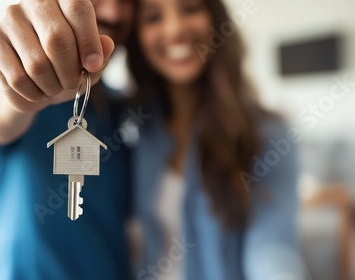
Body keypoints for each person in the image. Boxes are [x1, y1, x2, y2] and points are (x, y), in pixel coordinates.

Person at [124, 0, 305, 279]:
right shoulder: (133, 129)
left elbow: (272, 250)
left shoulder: (269, 134)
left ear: (216, 20)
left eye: (191, 8)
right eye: (153, 17)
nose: (174, 29)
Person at [0, 0, 135, 279]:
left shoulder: (120, 106)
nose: (113, 12)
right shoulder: (14, 72)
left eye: (128, 2)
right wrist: (15, 87)